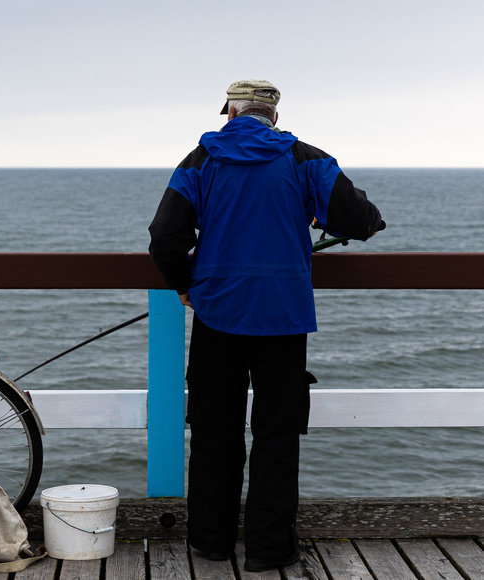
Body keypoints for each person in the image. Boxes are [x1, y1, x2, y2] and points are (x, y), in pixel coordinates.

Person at [148, 79, 384, 572]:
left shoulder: (200, 159)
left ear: (230, 112)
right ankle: (268, 549)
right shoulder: (304, 158)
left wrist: (186, 285)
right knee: (277, 434)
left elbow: (165, 235)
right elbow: (359, 218)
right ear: (273, 115)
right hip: (283, 317)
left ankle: (210, 542)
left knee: (215, 431)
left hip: (217, 315)